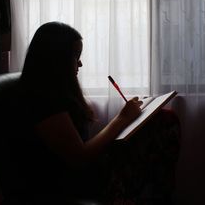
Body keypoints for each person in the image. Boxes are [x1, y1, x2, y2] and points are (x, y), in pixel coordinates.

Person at [14, 21, 145, 203]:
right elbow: (80, 157)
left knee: (161, 121)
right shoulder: (41, 101)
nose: (80, 63)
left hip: (84, 172)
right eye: (76, 55)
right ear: (56, 58)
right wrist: (122, 118)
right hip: (67, 184)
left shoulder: (55, 92)